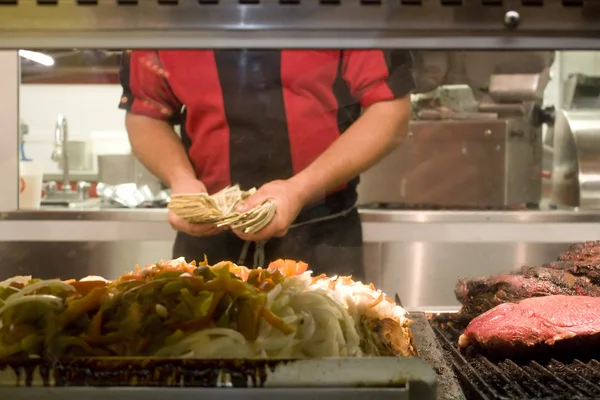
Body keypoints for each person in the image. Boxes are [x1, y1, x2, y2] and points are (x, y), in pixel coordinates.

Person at [118, 49, 414, 280]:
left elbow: (390, 109)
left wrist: (299, 189)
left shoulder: (344, 10)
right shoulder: (169, 12)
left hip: (322, 232)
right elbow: (146, 112)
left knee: (331, 351)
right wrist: (181, 179)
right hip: (206, 233)